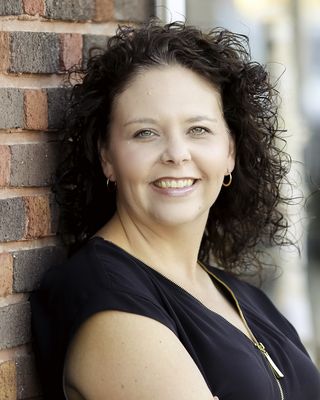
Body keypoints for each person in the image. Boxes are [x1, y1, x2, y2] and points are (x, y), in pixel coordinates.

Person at [30, 19, 320, 400]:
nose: (177, 154)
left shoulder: (241, 296)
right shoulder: (108, 302)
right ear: (107, 158)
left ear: (230, 151)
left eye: (198, 129)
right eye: (145, 133)